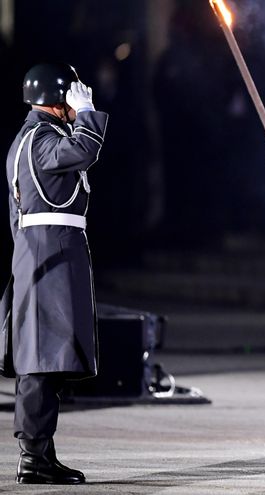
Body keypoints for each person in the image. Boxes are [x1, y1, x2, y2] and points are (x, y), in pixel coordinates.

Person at [5, 63, 108, 484]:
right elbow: (83, 151)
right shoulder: (41, 139)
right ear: (58, 98)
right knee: (41, 357)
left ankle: (40, 452)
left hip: (47, 251)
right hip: (49, 254)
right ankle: (34, 456)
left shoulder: (33, 137)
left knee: (49, 355)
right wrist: (87, 115)